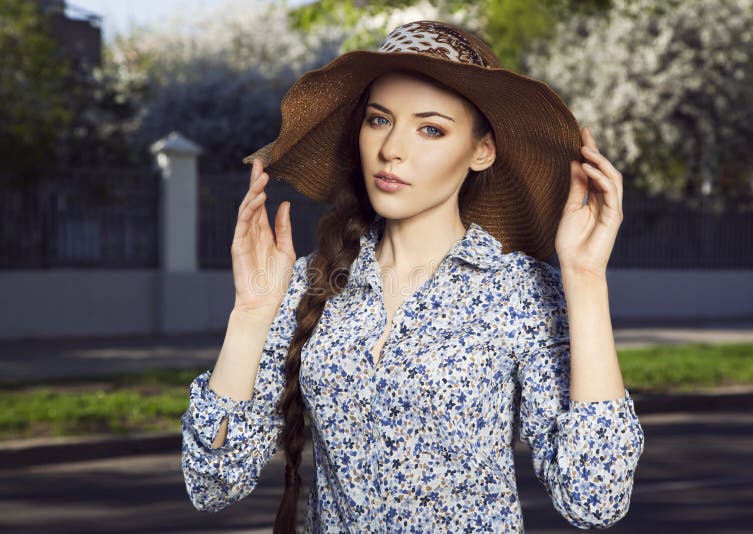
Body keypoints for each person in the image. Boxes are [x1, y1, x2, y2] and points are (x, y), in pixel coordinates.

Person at [181, 20, 645, 533]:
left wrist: (584, 277)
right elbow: (212, 483)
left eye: (430, 129)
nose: (391, 149)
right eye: (379, 120)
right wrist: (250, 314)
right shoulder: (308, 282)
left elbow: (595, 498)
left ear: (481, 150)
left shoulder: (521, 292)